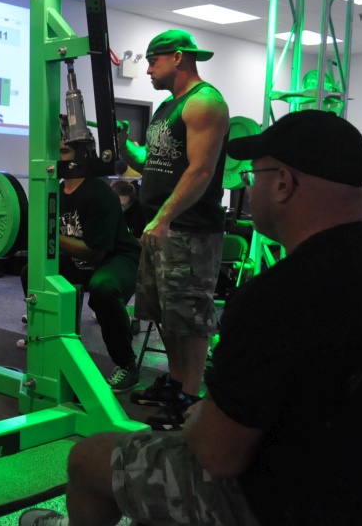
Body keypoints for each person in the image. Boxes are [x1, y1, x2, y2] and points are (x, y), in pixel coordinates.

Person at [19, 110, 362, 526]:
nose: (247, 187)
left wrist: (199, 419)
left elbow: (217, 456)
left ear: (283, 183)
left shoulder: (276, 295)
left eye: (252, 177)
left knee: (89, 457)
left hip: (286, 504)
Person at [116, 29, 230, 431]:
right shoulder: (168, 107)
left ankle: (190, 398)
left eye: (153, 61)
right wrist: (125, 145)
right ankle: (178, 383)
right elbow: (153, 160)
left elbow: (200, 171)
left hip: (189, 229)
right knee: (166, 314)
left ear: (178, 57)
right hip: (161, 228)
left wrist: (164, 217)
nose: (147, 69)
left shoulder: (205, 103)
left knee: (190, 318)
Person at [19, 126, 142, 393]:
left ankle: (127, 365)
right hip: (80, 260)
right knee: (32, 272)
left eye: (64, 151)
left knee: (103, 288)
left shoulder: (100, 193)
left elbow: (95, 252)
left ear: (83, 155)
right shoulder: (54, 192)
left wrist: (50, 234)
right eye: (56, 151)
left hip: (117, 257)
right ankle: (50, 341)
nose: (58, 157)